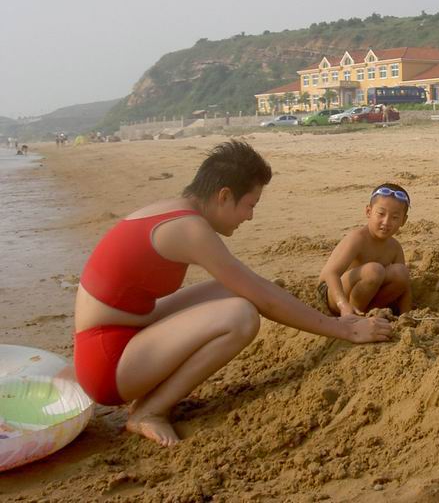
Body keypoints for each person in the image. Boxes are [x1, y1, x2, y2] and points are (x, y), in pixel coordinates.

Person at [73, 141, 392, 447]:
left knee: (230, 290)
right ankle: (149, 411)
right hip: (107, 362)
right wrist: (344, 330)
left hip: (122, 335)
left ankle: (148, 399)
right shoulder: (189, 229)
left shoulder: (173, 212)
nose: (250, 216)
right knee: (241, 316)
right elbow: (263, 298)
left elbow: (253, 286)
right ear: (224, 196)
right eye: (250, 205)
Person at [317, 183, 412, 317]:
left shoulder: (395, 247)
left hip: (368, 298)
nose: (386, 222)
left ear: (404, 220)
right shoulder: (357, 238)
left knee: (401, 272)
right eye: (381, 214)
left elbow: (404, 286)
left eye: (395, 217)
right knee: (374, 270)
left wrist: (406, 315)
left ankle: (365, 313)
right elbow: (329, 274)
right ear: (368, 211)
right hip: (334, 294)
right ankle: (352, 317)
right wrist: (342, 304)